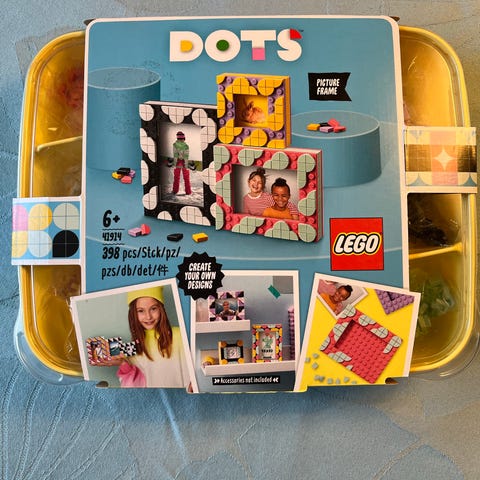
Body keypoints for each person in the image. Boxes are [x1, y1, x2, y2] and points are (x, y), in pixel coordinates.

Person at [94, 286, 190, 388]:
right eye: (141, 311)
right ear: (133, 314)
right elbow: (134, 389)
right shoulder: (132, 349)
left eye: (153, 309)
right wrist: (123, 364)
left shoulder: (181, 334)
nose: (148, 317)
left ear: (161, 309)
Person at [171, 131, 194, 195]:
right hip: (184, 162)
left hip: (177, 162)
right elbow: (186, 156)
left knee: (176, 177)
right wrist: (186, 165)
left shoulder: (175, 145)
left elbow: (175, 154)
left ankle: (175, 191)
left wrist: (175, 163)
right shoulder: (186, 146)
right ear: (184, 138)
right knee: (186, 178)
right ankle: (188, 192)